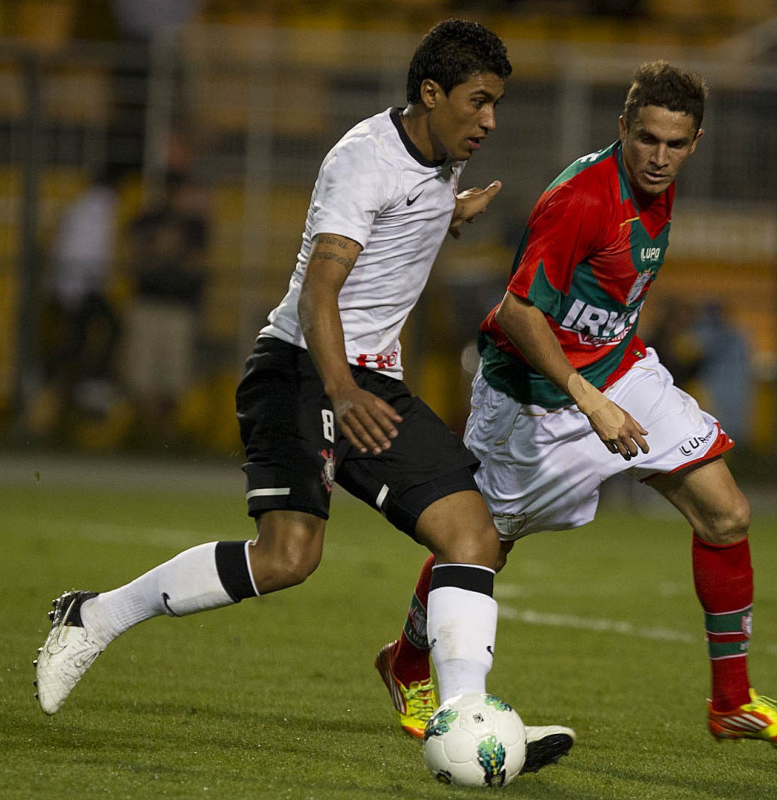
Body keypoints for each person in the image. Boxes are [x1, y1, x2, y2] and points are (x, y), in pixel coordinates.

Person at [34, 19, 572, 774]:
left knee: (474, 538)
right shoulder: (363, 160)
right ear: (430, 93)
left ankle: (464, 713)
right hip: (300, 369)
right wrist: (341, 389)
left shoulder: (440, 157)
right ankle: (95, 614)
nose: (490, 120)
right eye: (479, 102)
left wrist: (447, 217)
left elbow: (399, 222)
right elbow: (323, 286)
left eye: (496, 104)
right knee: (288, 558)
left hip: (368, 383)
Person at [374, 61, 777, 751]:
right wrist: (590, 402)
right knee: (480, 545)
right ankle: (406, 663)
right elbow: (519, 312)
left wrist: (610, 381)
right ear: (622, 128)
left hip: (618, 368)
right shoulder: (583, 199)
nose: (660, 157)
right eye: (647, 140)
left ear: (695, 142)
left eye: (676, 145)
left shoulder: (659, 188)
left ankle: (731, 700)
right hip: (534, 397)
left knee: (727, 514)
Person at [33, 164, 125, 431]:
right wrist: (73, 290)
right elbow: (82, 251)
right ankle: (85, 385)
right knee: (104, 330)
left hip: (75, 285)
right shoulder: (97, 209)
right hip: (80, 286)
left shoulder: (84, 207)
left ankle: (54, 380)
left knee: (78, 339)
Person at [122, 170, 210, 435]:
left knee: (173, 379)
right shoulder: (146, 221)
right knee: (141, 377)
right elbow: (131, 261)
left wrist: (173, 252)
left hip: (177, 305)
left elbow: (200, 265)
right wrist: (158, 253)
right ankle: (146, 432)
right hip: (148, 301)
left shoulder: (194, 225)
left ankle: (164, 434)